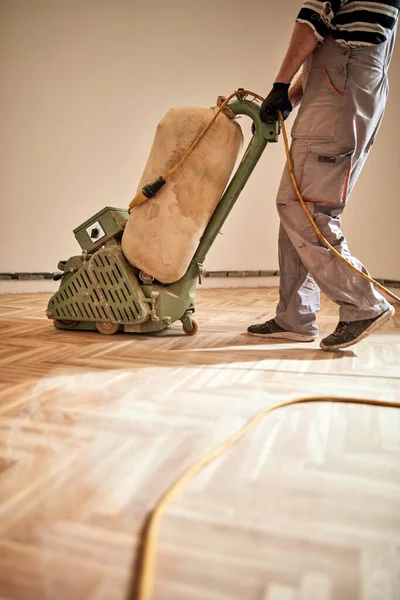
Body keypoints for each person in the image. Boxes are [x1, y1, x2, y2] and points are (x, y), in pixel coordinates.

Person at [248, 0, 398, 351]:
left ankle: (364, 304)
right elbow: (336, 39)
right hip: (343, 85)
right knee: (297, 203)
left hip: (340, 88)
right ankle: (295, 316)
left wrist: (280, 83)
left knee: (306, 209)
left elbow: (312, 22)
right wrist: (288, 97)